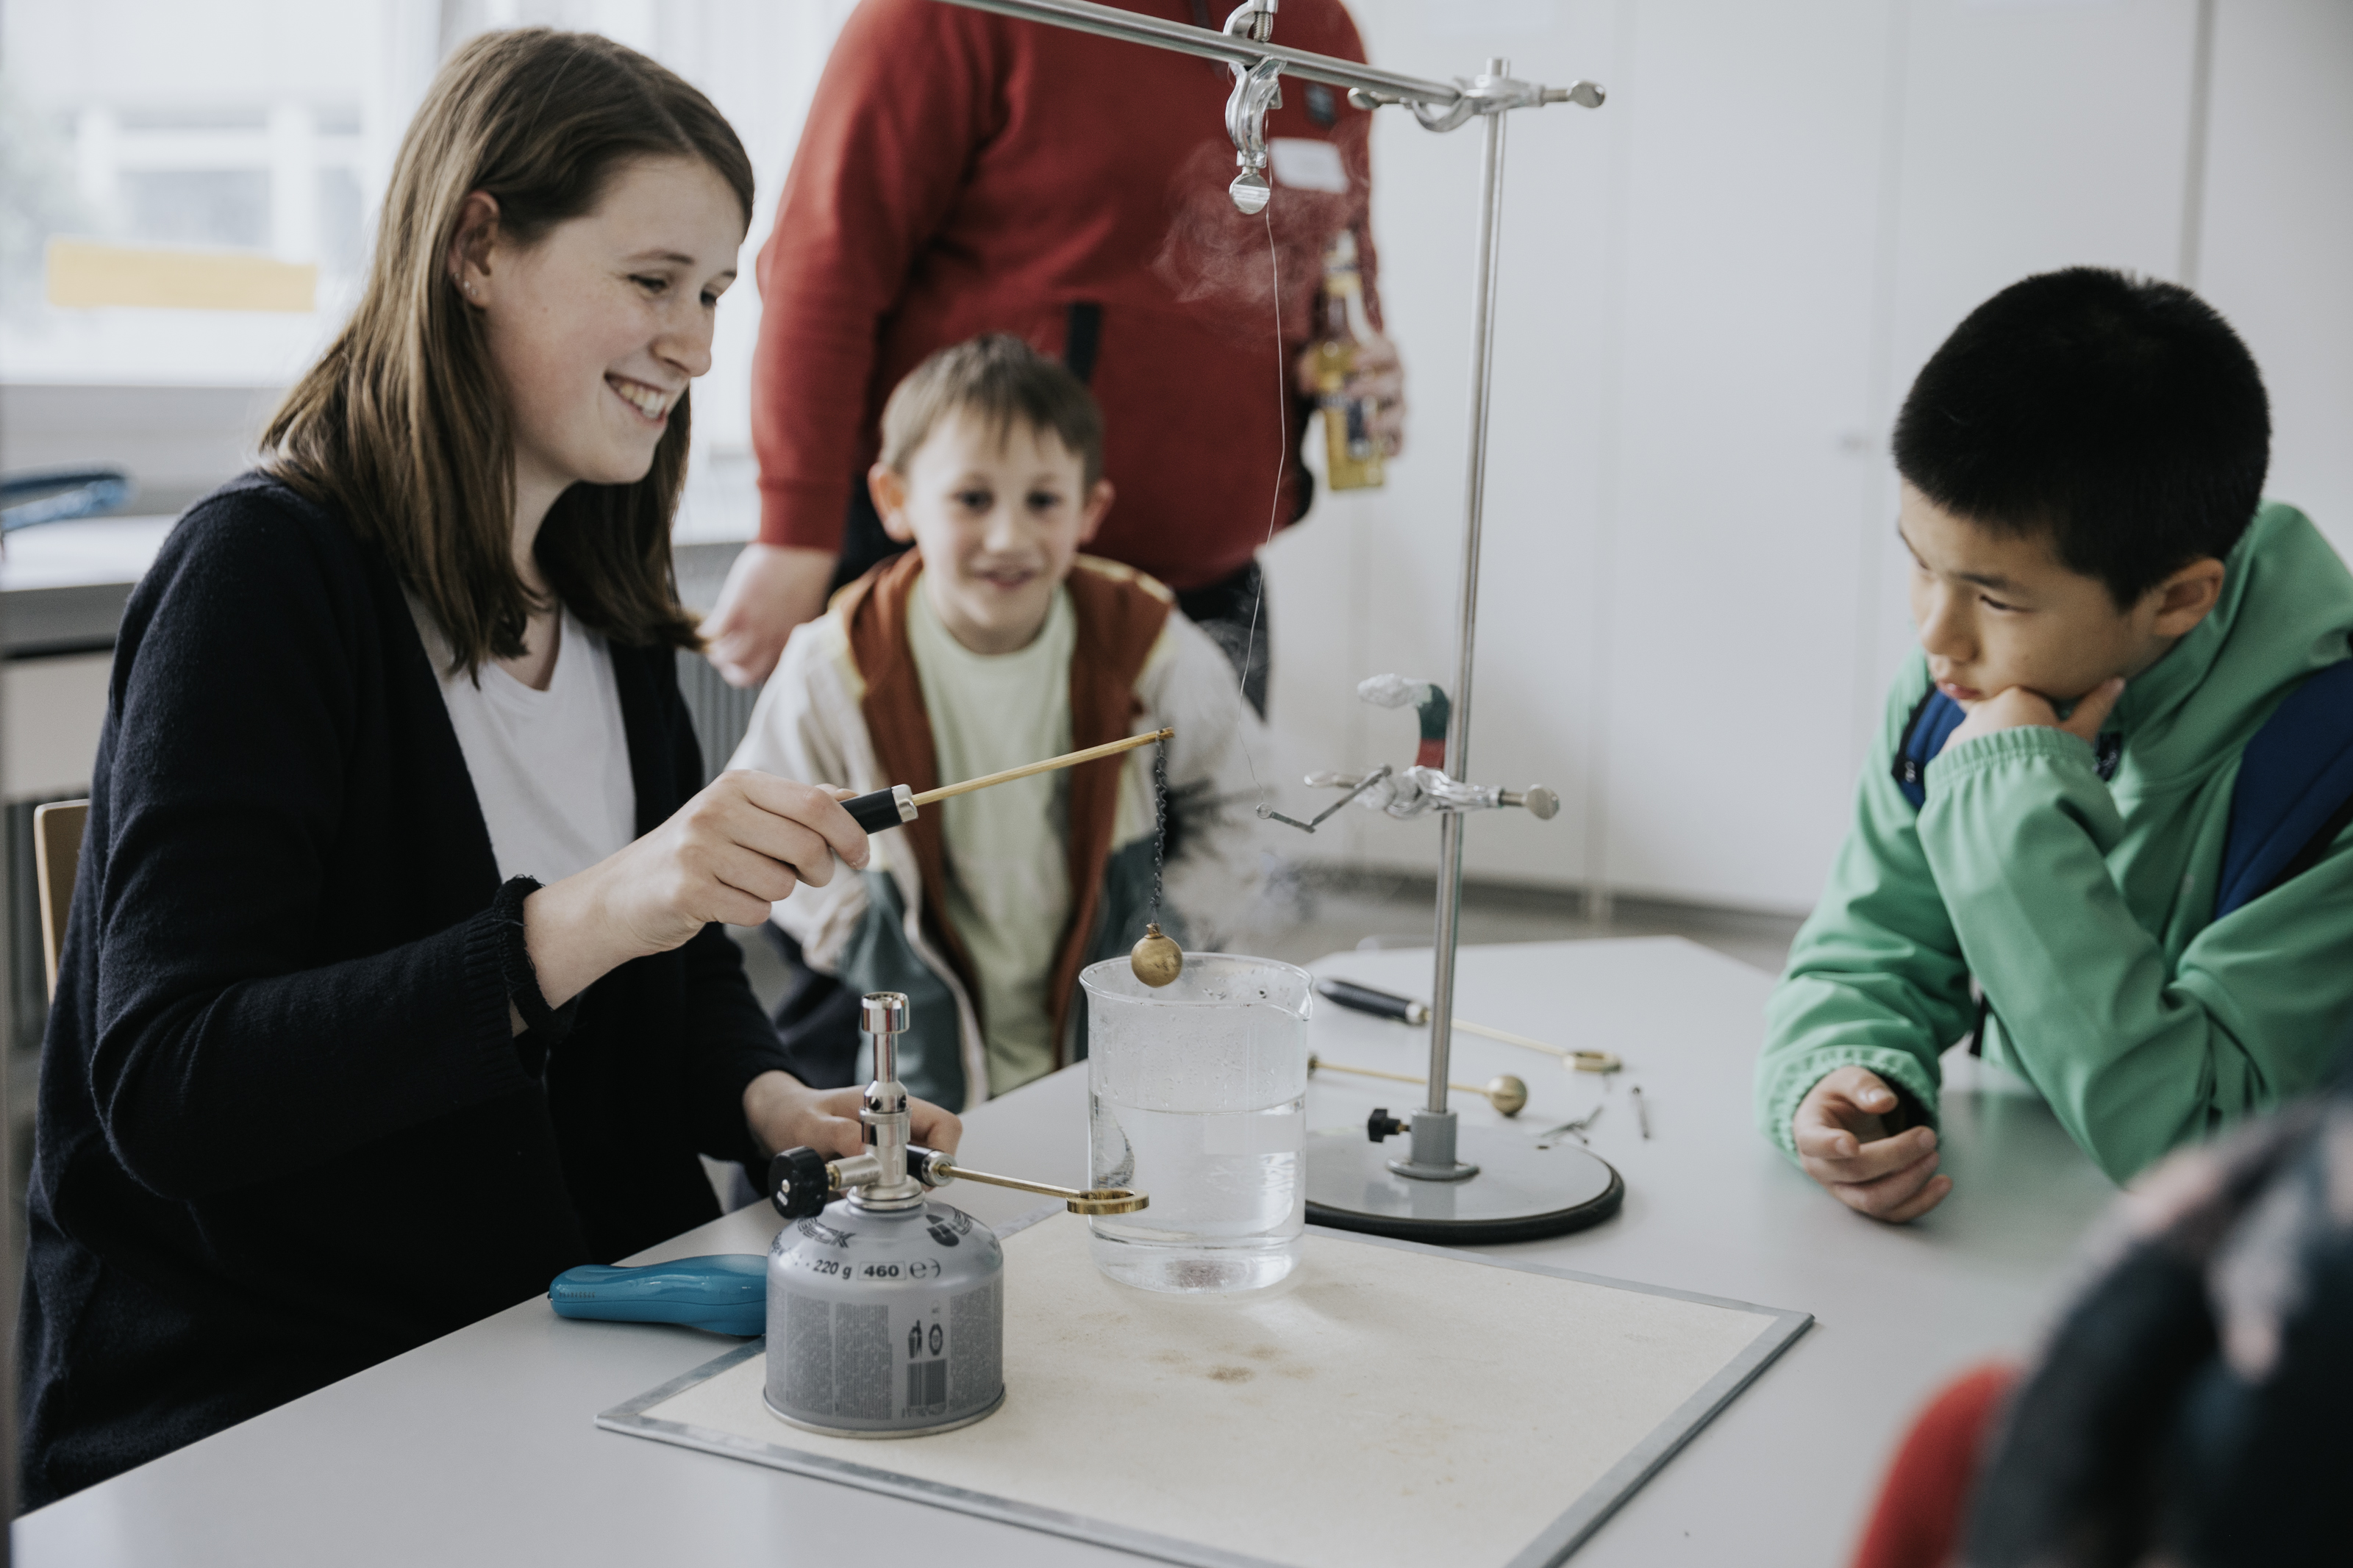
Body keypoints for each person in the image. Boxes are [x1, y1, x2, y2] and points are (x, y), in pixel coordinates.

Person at [17, 29, 957, 1508]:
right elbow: (172, 1085)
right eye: (653, 283)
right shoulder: (262, 578)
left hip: (570, 1342)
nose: (698, 345)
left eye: (715, 294)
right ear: (476, 246)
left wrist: (774, 1105)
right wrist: (574, 919)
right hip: (288, 1402)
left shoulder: (604, 589)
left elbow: (682, 977)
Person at [1754, 267, 2353, 1222]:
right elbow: (1874, 944)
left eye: (1995, 597)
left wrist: (2005, 819)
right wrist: (1842, 1073)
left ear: (2179, 598)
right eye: (1919, 564)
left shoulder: (2330, 771)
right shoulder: (1969, 684)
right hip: (2020, 1209)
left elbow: (2207, 1139)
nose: (1937, 636)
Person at [699, 0, 1404, 714]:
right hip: (971, 585)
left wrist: (1351, 356)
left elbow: (1335, 260)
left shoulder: (1319, 29)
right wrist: (792, 530)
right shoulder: (951, 13)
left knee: (1217, 826)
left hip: (1210, 594)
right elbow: (826, 271)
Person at [726, 334, 1263, 1109]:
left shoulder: (1144, 637)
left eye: (1042, 501)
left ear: (1089, 509)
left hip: (1109, 1032)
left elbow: (1247, 797)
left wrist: (1178, 922)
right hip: (919, 1051)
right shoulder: (833, 660)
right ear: (895, 500)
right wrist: (859, 937)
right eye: (972, 499)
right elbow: (764, 823)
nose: (1008, 537)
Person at [1847, 1049, 2353, 1567]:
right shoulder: (1982, 1452)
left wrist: (2031, 966)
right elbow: (1865, 973)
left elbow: (2192, 1112)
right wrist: (1839, 1066)